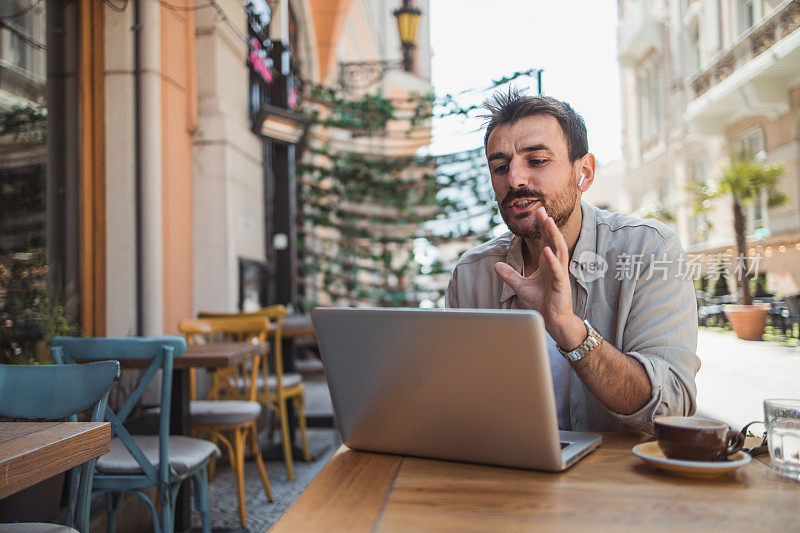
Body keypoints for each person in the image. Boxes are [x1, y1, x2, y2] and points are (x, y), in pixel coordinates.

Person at [445, 89, 700, 433]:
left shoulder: (649, 251)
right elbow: (457, 406)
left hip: (619, 481)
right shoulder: (472, 275)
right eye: (500, 166)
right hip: (507, 478)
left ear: (584, 173)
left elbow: (671, 411)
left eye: (536, 161)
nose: (514, 179)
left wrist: (569, 328)